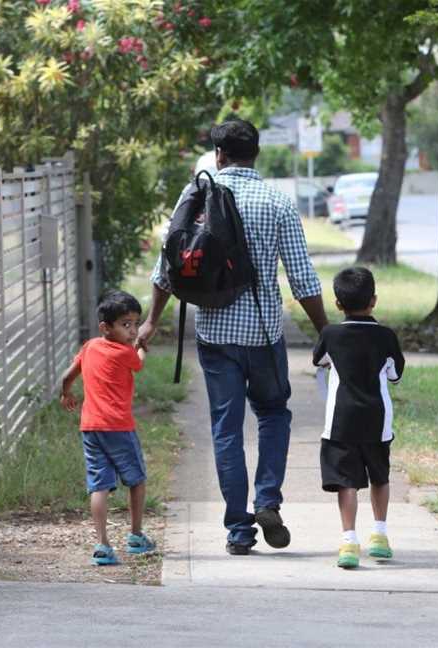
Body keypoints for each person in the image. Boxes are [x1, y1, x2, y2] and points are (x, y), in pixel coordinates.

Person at [138, 119, 328, 555]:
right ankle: (267, 500)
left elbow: (166, 269)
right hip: (263, 337)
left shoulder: (195, 198)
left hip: (215, 335)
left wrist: (150, 321)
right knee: (274, 415)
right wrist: (325, 332)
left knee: (226, 429)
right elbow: (302, 277)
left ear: (218, 155)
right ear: (255, 153)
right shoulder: (277, 202)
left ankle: (239, 530)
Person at [313, 267, 405, 569]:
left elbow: (320, 361)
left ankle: (349, 541)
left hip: (341, 422)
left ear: (338, 304)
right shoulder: (386, 337)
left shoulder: (331, 335)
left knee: (345, 481)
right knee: (380, 476)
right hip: (377, 422)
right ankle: (379, 535)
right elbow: (394, 375)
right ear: (374, 300)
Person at [60, 290, 156, 566]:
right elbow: (138, 363)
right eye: (126, 324)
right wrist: (139, 346)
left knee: (99, 485)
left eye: (136, 324)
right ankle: (136, 535)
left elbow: (68, 376)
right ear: (106, 327)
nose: (133, 330)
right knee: (136, 479)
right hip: (118, 427)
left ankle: (102, 545)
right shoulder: (125, 351)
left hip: (90, 427)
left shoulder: (89, 346)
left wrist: (66, 394)